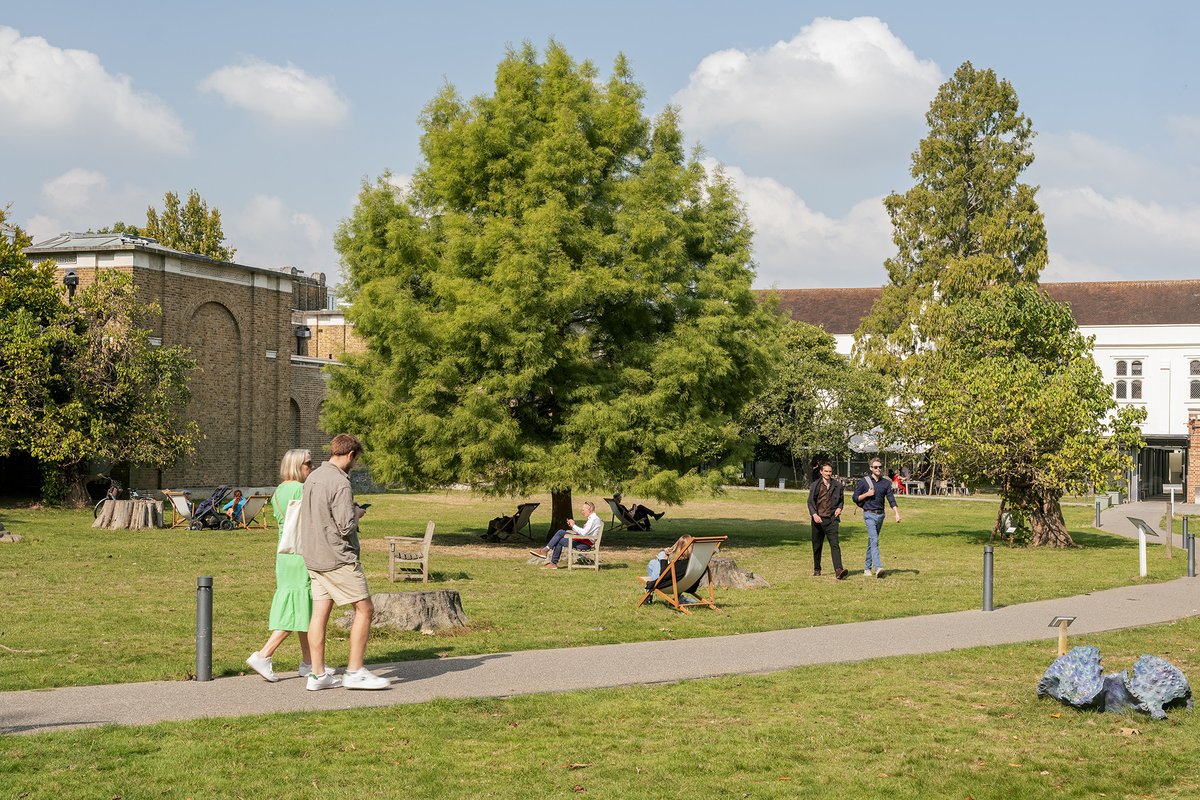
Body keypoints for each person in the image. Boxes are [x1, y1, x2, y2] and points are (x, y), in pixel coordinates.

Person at [299, 433, 389, 691]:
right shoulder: (340, 482)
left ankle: (317, 675)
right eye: (356, 459)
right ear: (350, 455)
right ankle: (355, 671)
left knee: (319, 614)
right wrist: (357, 512)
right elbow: (346, 524)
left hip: (313, 557)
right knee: (365, 609)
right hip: (337, 558)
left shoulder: (313, 476)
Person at [245, 449, 314, 682]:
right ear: (297, 466)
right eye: (308, 463)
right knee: (297, 606)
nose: (311, 467)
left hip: (285, 554)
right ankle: (264, 654)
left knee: (301, 605)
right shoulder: (299, 489)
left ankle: (309, 662)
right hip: (300, 553)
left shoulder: (279, 491)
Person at [853, 457, 902, 578]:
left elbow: (891, 499)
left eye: (880, 467)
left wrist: (896, 513)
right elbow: (855, 498)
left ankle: (866, 568)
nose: (878, 469)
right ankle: (878, 567)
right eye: (875, 467)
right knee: (874, 540)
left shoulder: (886, 483)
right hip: (869, 514)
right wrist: (867, 494)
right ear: (871, 468)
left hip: (881, 515)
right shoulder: (864, 482)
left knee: (872, 541)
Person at [529, 500, 603, 569]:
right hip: (583, 541)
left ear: (589, 509)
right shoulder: (593, 518)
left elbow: (583, 533)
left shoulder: (593, 519)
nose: (582, 512)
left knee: (559, 540)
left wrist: (573, 525)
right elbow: (584, 533)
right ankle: (547, 554)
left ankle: (550, 559)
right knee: (560, 532)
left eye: (583, 510)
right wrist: (572, 526)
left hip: (585, 544)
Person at [807, 462, 847, 579]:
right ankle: (817, 568)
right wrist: (814, 514)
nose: (828, 473)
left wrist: (840, 508)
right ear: (821, 471)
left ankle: (839, 570)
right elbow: (810, 502)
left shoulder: (838, 486)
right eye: (826, 471)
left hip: (832, 520)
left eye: (830, 471)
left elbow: (841, 500)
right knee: (817, 545)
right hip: (818, 520)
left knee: (835, 545)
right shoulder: (815, 485)